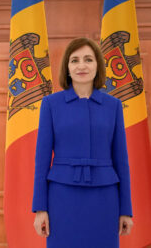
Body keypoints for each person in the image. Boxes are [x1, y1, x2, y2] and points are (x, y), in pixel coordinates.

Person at [32, 38, 133, 248]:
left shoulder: (113, 106)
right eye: (74, 60)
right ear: (67, 68)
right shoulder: (50, 104)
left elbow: (121, 161)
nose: (81, 66)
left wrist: (126, 210)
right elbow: (41, 162)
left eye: (88, 59)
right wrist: (40, 208)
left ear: (97, 66)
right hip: (62, 197)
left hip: (105, 198)